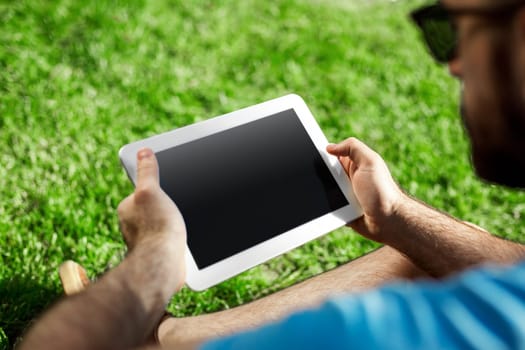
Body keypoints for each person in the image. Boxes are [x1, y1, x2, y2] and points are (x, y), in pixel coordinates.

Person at [19, 0, 525, 349]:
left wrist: (154, 261)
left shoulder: (400, 331)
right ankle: (161, 338)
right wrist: (394, 215)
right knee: (434, 253)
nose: (454, 63)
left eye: (455, 27)